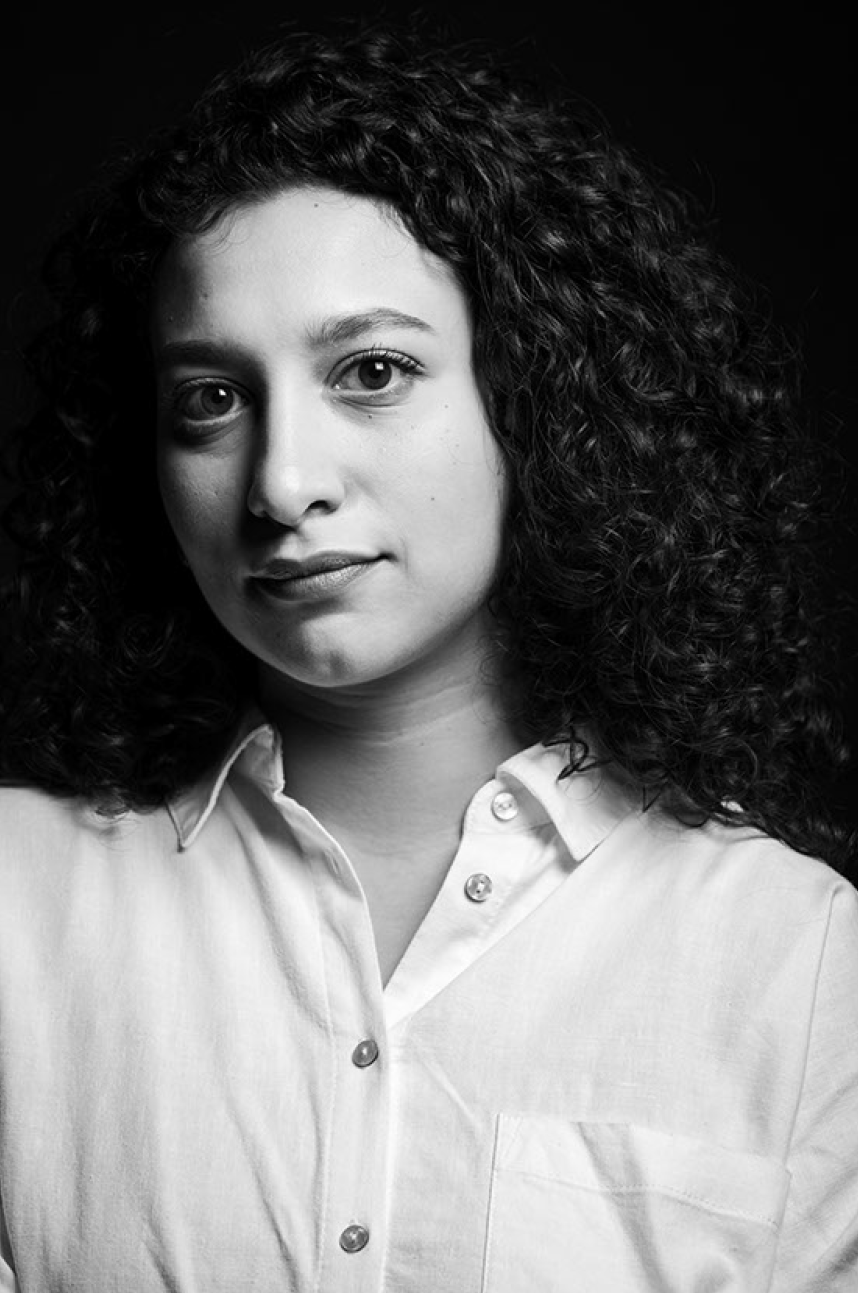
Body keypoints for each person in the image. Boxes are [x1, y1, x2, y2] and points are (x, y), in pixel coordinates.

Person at [0, 17, 856, 1292]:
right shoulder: (17, 907)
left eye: (373, 370)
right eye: (211, 399)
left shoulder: (798, 961)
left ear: (538, 401)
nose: (284, 483)